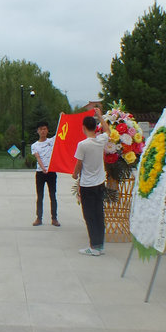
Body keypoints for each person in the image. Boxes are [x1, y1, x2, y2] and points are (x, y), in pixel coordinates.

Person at [72, 109, 111, 256]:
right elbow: (108, 131)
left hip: (87, 185)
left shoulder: (83, 144)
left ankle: (93, 247)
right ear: (95, 127)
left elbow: (79, 163)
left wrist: (75, 174)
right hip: (100, 183)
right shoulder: (101, 140)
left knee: (89, 216)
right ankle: (100, 245)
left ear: (83, 127)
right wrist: (100, 116)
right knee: (99, 214)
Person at [31, 120, 60, 227]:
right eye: (40, 129)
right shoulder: (34, 145)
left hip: (51, 172)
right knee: (40, 196)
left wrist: (61, 117)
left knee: (53, 195)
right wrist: (43, 168)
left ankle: (54, 218)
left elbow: (60, 131)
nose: (43, 131)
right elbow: (38, 157)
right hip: (40, 173)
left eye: (44, 129)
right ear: (37, 131)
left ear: (47, 130)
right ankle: (39, 218)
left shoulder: (51, 141)